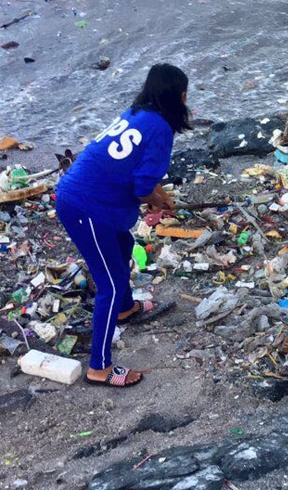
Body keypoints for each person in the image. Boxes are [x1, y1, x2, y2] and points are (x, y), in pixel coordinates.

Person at [56, 63, 191, 387]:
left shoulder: (138, 112)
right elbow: (142, 188)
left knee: (124, 245)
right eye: (186, 92)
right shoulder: (161, 130)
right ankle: (98, 367)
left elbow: (140, 177)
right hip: (85, 206)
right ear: (177, 96)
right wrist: (158, 199)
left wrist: (161, 194)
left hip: (87, 196)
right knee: (109, 284)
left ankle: (125, 309)